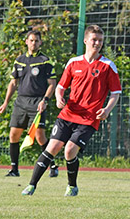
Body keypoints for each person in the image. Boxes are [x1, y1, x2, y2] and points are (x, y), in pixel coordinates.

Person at [21, 25, 121, 196]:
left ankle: (72, 186)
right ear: (86, 41)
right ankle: (31, 186)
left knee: (69, 150)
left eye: (100, 41)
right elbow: (60, 87)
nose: (97, 43)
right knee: (52, 147)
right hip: (68, 114)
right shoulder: (74, 62)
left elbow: (116, 93)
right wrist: (59, 97)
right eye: (94, 40)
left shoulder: (107, 66)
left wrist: (107, 109)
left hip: (89, 119)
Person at [0, 30, 58, 177]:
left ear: (40, 43)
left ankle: (53, 165)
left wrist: (45, 101)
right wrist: (5, 103)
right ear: (26, 42)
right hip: (20, 102)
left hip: (37, 102)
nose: (34, 43)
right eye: (31, 40)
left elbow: (52, 84)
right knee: (14, 134)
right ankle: (14, 169)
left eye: (36, 41)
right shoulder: (19, 60)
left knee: (39, 137)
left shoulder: (45, 61)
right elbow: (13, 83)